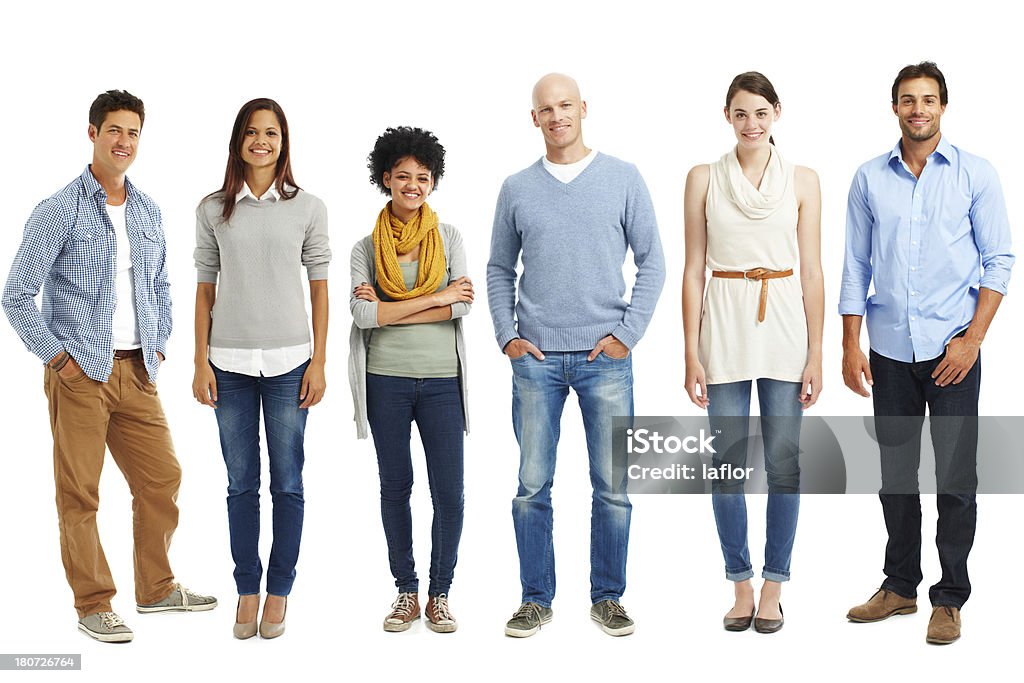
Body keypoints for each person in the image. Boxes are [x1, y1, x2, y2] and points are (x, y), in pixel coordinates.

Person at [1, 90, 216, 643]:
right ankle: (94, 603)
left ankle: (156, 588)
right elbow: (16, 294)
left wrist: (160, 347)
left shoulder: (146, 209)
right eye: (114, 130)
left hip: (138, 371)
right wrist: (59, 360)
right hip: (80, 375)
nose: (125, 142)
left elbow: (160, 284)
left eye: (134, 133)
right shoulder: (58, 208)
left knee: (162, 476)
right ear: (92, 133)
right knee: (81, 493)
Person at [487, 73, 665, 638]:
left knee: (613, 488)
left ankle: (607, 597)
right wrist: (507, 337)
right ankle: (535, 598)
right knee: (531, 486)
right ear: (533, 118)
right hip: (535, 359)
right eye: (546, 108)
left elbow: (653, 261)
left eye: (566, 105)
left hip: (604, 359)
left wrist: (628, 334)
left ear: (583, 109)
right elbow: (497, 268)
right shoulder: (516, 187)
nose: (557, 115)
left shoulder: (623, 178)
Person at [841, 62, 1013, 645]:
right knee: (894, 476)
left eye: (929, 100)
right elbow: (856, 266)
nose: (919, 109)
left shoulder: (975, 175)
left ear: (944, 107)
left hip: (953, 353)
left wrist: (973, 340)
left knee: (956, 477)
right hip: (888, 351)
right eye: (908, 100)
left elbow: (999, 263)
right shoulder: (868, 178)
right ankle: (899, 586)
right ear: (894, 108)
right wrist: (848, 341)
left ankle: (950, 597)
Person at [682, 72, 823, 634]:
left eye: (761, 113)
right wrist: (690, 351)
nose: (751, 124)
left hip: (785, 322)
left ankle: (774, 587)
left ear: (777, 114)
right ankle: (739, 582)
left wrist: (816, 353)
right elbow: (695, 269)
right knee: (726, 466)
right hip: (725, 323)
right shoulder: (702, 178)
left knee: (784, 465)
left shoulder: (805, 180)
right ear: (728, 117)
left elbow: (812, 269)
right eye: (741, 113)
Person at [192, 98, 330, 640]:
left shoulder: (308, 207)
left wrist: (318, 361)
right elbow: (205, 290)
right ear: (238, 141)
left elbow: (320, 290)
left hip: (290, 364)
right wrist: (199, 361)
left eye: (271, 133)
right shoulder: (211, 209)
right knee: (239, 483)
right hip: (227, 365)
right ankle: (246, 589)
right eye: (252, 132)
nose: (261, 142)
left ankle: (280, 590)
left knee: (288, 483)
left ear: (283, 141)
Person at [349, 126, 471, 634]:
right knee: (395, 488)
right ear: (386, 179)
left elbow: (462, 304)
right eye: (403, 176)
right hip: (386, 381)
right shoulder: (364, 246)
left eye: (423, 177)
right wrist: (432, 300)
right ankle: (406, 591)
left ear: (432, 181)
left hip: (443, 380)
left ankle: (439, 593)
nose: (413, 184)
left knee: (450, 492)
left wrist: (392, 308)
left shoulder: (449, 238)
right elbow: (362, 316)